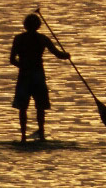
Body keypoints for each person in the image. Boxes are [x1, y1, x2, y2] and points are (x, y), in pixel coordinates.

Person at [10, 13, 70, 142]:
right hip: (37, 75)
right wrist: (66, 55)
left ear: (25, 25)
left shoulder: (19, 39)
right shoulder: (43, 39)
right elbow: (58, 54)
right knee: (40, 107)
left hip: (25, 76)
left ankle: (23, 136)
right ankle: (41, 133)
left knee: (23, 107)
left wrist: (23, 66)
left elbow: (12, 60)